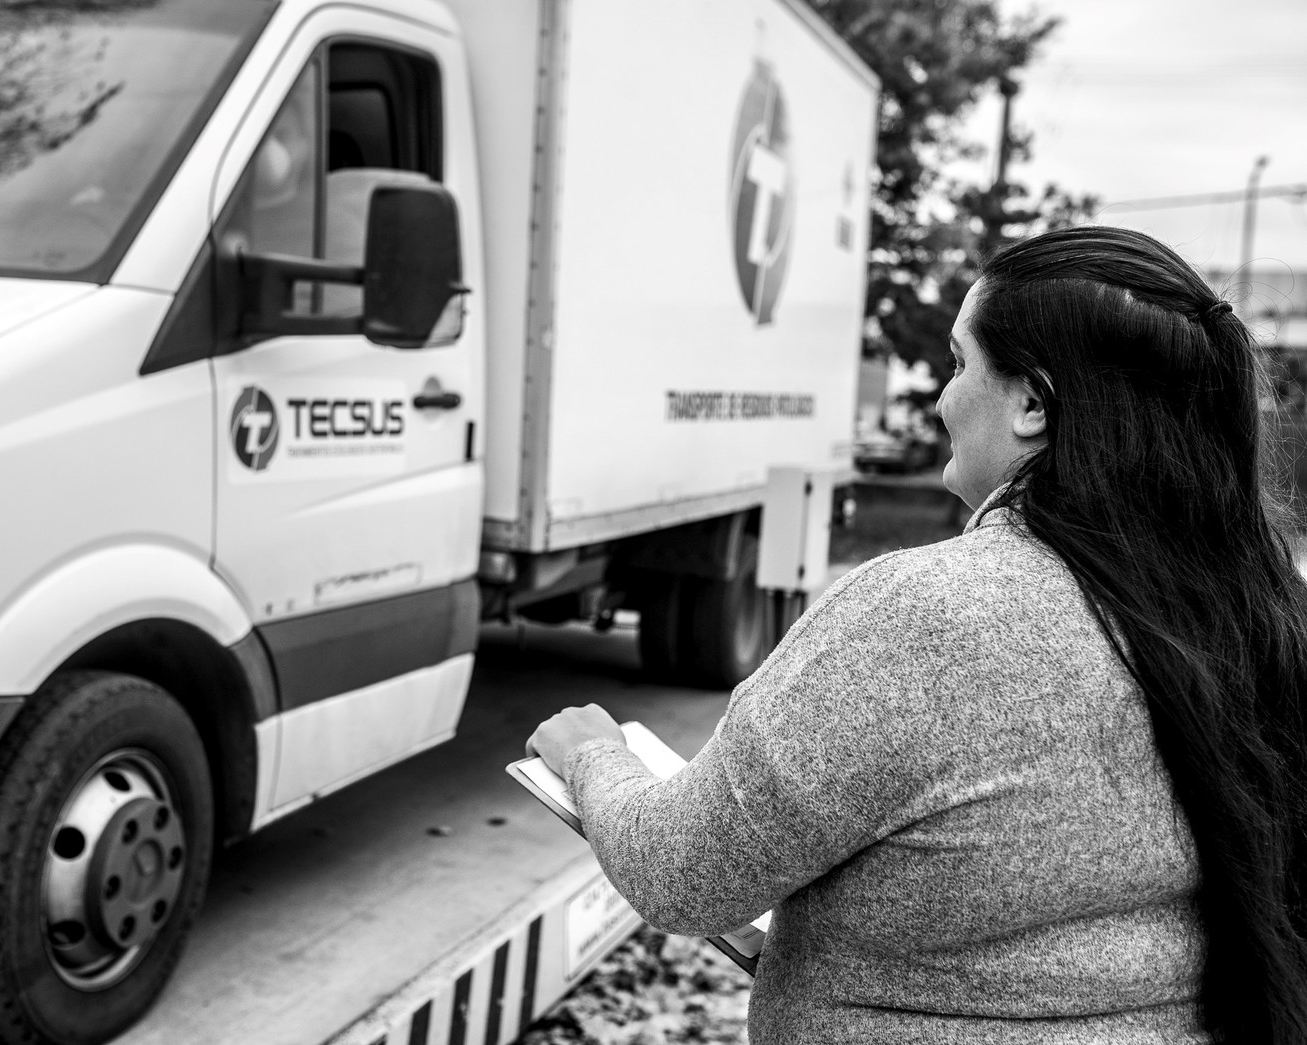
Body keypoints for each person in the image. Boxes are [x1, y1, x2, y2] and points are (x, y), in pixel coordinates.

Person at [527, 225, 1307, 1044]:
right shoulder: (1259, 612)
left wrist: (593, 758)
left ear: (1032, 404)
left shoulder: (921, 617)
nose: (940, 399)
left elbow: (685, 874)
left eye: (958, 363)